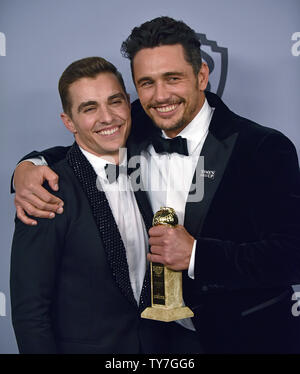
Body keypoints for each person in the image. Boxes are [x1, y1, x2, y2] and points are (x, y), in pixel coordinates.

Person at [12, 17, 300, 353]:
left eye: (172, 78)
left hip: (246, 337)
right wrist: (28, 166)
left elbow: (292, 256)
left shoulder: (263, 147)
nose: (160, 96)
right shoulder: (134, 123)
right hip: (162, 343)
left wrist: (196, 255)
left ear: (202, 76)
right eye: (146, 83)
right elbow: (84, 144)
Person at [10, 56, 202, 354]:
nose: (107, 117)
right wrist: (25, 168)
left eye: (115, 102)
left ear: (128, 104)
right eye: (89, 108)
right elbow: (30, 314)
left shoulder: (148, 165)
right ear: (69, 122)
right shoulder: (46, 191)